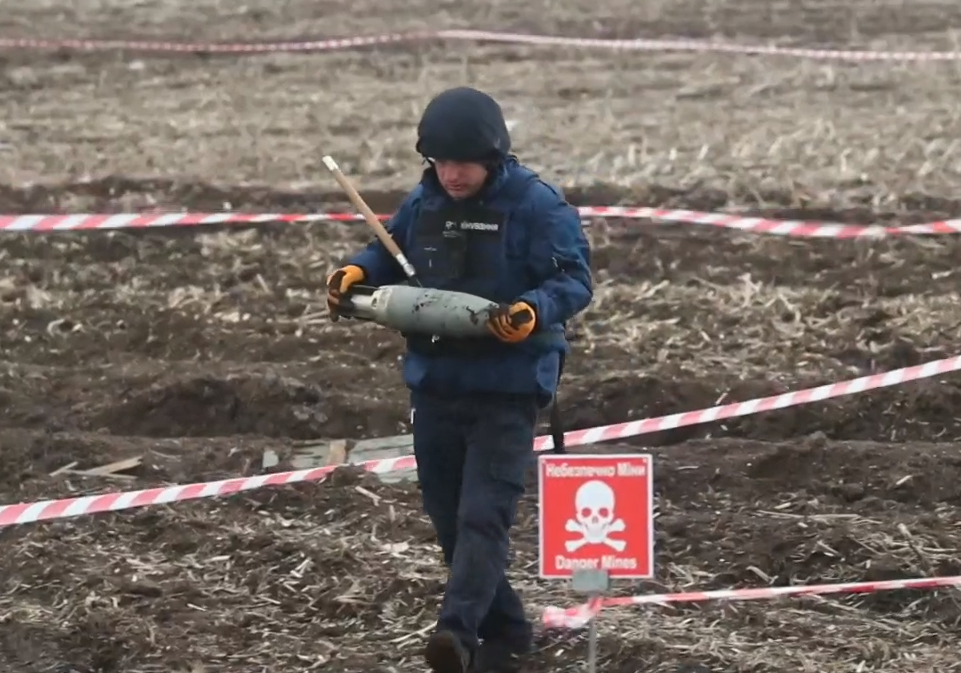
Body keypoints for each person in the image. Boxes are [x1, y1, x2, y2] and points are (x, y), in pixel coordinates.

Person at [326, 86, 593, 673]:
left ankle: (457, 634)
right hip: (437, 383)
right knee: (449, 520)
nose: (450, 174)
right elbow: (387, 251)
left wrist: (532, 311)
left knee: (483, 516)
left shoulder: (536, 205)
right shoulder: (423, 203)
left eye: (462, 163)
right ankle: (509, 632)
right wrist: (355, 271)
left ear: (493, 157)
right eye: (440, 162)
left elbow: (574, 280)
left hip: (507, 388)